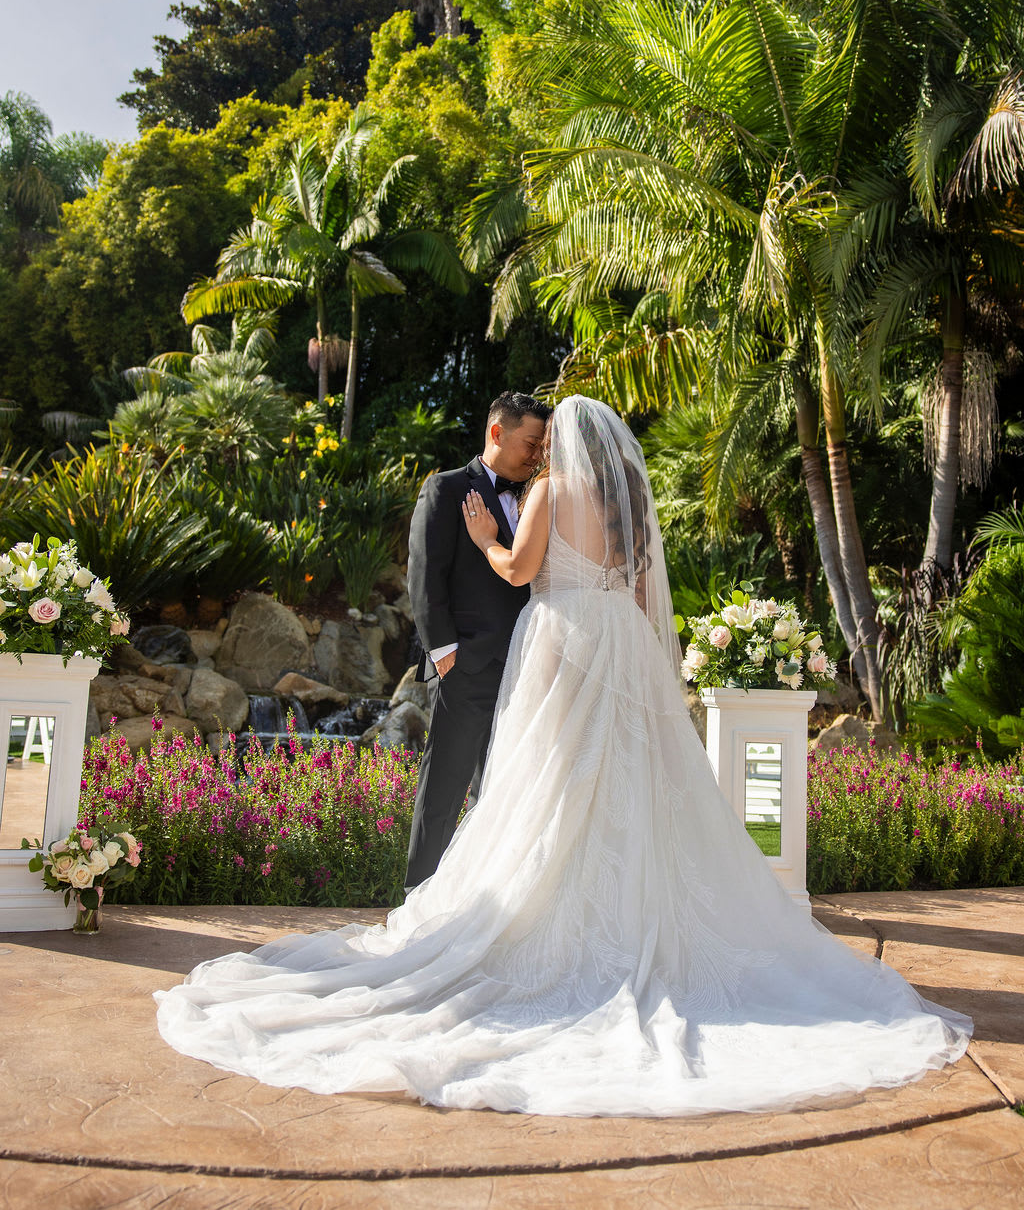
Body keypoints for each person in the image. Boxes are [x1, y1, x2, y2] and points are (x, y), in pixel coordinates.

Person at [155, 397, 971, 1117]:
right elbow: (645, 597)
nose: (544, 450)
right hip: (624, 645)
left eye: (551, 441)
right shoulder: (631, 510)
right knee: (630, 779)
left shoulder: (547, 492)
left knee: (548, 779)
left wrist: (487, 538)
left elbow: (520, 569)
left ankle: (537, 908)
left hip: (562, 639)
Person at [405, 390, 550, 890]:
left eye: (542, 446)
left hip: (528, 666)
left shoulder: (540, 495)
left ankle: (483, 901)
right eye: (530, 443)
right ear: (497, 432)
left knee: (504, 789)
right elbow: (425, 575)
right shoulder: (445, 489)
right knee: (444, 786)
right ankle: (418, 894)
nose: (537, 454)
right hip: (466, 665)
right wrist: (445, 652)